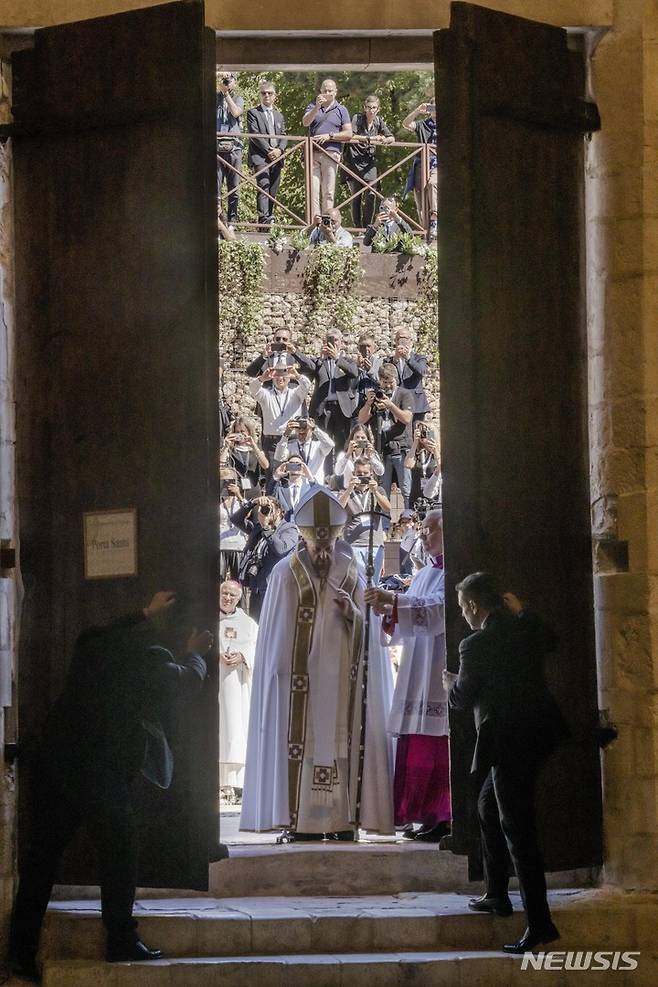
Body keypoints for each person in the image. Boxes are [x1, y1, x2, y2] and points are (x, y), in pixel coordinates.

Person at [6, 592, 212, 979]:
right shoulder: (151, 658)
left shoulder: (96, 640)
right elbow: (184, 683)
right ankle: (120, 938)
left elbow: (98, 634)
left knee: (41, 861)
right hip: (97, 770)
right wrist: (196, 652)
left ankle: (19, 953)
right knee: (121, 848)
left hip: (55, 762)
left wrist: (143, 612)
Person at [240, 486, 394, 841]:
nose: (322, 553)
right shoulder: (283, 574)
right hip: (300, 684)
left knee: (341, 746)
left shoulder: (352, 569)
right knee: (305, 748)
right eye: (316, 547)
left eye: (327, 547)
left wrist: (352, 612)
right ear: (304, 541)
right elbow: (276, 634)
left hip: (342, 679)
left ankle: (342, 822)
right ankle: (302, 823)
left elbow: (367, 629)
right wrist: (280, 673)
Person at [445, 572, 568, 954]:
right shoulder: (524, 628)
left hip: (508, 742)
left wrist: (450, 684)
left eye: (463, 608)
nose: (463, 615)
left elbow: (462, 700)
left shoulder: (474, 645)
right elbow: (552, 640)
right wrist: (525, 611)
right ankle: (497, 893)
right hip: (540, 734)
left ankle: (540, 924)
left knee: (518, 831)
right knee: (487, 805)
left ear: (473, 606)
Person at [365, 509, 450, 842]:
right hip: (419, 664)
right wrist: (387, 609)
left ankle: (447, 816)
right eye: (423, 530)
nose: (424, 535)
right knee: (417, 740)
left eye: (430, 530)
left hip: (440, 661)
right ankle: (428, 816)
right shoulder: (427, 571)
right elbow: (416, 604)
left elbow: (442, 609)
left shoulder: (455, 569)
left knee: (437, 743)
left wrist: (395, 602)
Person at [219, 579, 258, 805]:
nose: (227, 598)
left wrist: (243, 656)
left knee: (236, 731)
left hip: (238, 686)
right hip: (215, 686)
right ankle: (218, 784)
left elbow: (258, 647)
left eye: (232, 595)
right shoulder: (206, 618)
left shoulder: (248, 623)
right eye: (224, 593)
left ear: (239, 598)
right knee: (218, 732)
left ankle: (237, 785)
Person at [232, 494, 299, 619]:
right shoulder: (259, 528)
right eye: (262, 509)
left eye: (269, 508)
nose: (265, 512)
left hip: (275, 589)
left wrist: (267, 527)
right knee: (255, 624)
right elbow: (235, 520)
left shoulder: (290, 529)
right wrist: (252, 503)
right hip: (257, 586)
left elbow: (280, 549)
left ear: (279, 511)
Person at [358, 362, 414, 507]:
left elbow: (407, 418)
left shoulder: (404, 394)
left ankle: (408, 522)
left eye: (391, 382)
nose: (388, 386)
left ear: (396, 380)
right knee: (383, 490)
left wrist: (390, 406)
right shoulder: (375, 395)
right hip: (383, 450)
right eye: (385, 383)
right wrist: (368, 404)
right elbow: (361, 420)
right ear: (379, 381)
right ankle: (384, 525)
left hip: (402, 448)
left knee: (406, 490)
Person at [306, 329, 360, 461]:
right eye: (330, 339)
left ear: (341, 343)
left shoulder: (347, 361)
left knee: (342, 446)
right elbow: (309, 374)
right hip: (323, 409)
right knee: (324, 445)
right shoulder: (319, 362)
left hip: (342, 409)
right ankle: (325, 477)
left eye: (336, 340)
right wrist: (321, 359)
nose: (333, 343)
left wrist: (337, 358)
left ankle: (340, 477)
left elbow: (354, 373)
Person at [343, 95, 394, 229]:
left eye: (374, 108)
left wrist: (384, 139)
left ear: (378, 109)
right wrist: (370, 139)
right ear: (364, 108)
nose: (371, 110)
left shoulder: (378, 121)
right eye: (369, 108)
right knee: (356, 197)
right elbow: (350, 135)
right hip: (354, 160)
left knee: (371, 194)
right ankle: (358, 228)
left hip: (370, 162)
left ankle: (367, 226)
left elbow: (391, 137)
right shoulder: (357, 118)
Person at [302, 79, 352, 217]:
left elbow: (348, 133)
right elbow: (305, 123)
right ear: (320, 92)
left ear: (335, 92)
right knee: (313, 191)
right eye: (325, 90)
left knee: (328, 191)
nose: (327, 93)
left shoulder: (341, 110)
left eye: (330, 91)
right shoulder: (312, 106)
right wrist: (316, 108)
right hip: (313, 153)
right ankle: (314, 224)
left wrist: (330, 136)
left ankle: (327, 222)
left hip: (331, 153)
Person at [248, 365, 312, 462]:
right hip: (272, 442)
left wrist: (297, 375)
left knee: (293, 473)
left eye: (283, 376)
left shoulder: (296, 394)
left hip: (292, 440)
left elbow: (306, 385)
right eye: (277, 377)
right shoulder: (266, 395)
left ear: (289, 379)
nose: (280, 379)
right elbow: (253, 388)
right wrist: (262, 378)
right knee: (273, 475)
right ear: (273, 379)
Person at [338, 457, 390, 573]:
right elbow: (338, 508)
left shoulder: (379, 490)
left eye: (366, 473)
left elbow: (387, 508)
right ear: (353, 474)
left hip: (374, 543)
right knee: (357, 583)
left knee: (374, 585)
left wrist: (375, 491)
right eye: (359, 473)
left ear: (371, 473)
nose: (362, 476)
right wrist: (349, 488)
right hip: (353, 543)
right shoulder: (345, 492)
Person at [246, 80, 288, 227]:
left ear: (275, 95)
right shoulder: (253, 113)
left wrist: (280, 150)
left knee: (273, 190)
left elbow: (283, 135)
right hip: (261, 157)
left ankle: (270, 218)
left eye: (269, 93)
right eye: (263, 93)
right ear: (260, 95)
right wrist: (270, 151)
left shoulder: (279, 116)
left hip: (277, 157)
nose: (267, 96)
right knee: (263, 186)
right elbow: (255, 135)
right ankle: (263, 220)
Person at [402, 99, 438, 240]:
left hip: (438, 164)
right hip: (421, 165)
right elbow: (405, 124)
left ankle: (434, 218)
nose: (434, 109)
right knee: (420, 198)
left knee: (432, 183)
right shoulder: (423, 124)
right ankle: (426, 233)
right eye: (432, 106)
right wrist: (417, 110)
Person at [216, 71, 244, 227]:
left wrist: (226, 95)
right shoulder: (214, 97)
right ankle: (218, 219)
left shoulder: (238, 98)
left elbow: (236, 112)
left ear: (235, 83)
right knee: (216, 187)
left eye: (229, 80)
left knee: (234, 186)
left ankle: (232, 220)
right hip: (216, 146)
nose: (227, 82)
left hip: (234, 147)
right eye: (225, 80)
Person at [273, 415, 334, 484]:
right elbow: (278, 457)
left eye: (305, 428)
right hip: (296, 486)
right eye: (298, 428)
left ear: (311, 430)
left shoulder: (318, 446)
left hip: (315, 485)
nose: (301, 430)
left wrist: (315, 428)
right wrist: (286, 434)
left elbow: (330, 445)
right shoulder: (290, 446)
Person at [386, 328, 430, 421]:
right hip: (397, 404)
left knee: (416, 434)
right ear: (395, 341)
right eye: (399, 339)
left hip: (416, 404)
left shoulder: (419, 358)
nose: (402, 341)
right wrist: (396, 359)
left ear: (411, 341)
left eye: (405, 339)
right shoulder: (389, 361)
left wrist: (407, 357)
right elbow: (386, 375)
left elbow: (421, 372)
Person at [245, 327, 315, 384]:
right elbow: (250, 373)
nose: (281, 341)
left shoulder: (296, 357)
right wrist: (263, 357)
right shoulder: (267, 358)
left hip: (293, 396)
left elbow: (312, 368)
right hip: (269, 396)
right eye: (278, 339)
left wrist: (295, 353)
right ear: (273, 339)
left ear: (290, 341)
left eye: (284, 339)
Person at [221, 416, 269, 493]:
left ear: (249, 432)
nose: (239, 434)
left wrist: (254, 446)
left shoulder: (255, 449)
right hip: (236, 490)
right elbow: (221, 465)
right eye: (237, 431)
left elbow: (266, 465)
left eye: (242, 431)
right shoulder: (231, 450)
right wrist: (226, 447)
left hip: (253, 489)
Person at [333, 423, 384, 489]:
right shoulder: (343, 455)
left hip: (367, 490)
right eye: (357, 437)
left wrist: (371, 458)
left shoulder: (372, 454)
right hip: (349, 490)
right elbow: (338, 472)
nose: (360, 440)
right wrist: (348, 454)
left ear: (367, 440)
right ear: (352, 439)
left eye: (363, 438)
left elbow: (380, 472)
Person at [219, 464, 248, 579]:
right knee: (218, 580)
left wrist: (238, 495)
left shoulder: (241, 501)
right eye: (223, 481)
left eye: (230, 481)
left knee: (238, 580)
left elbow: (248, 514)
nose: (227, 484)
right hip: (220, 545)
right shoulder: (215, 500)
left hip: (238, 545)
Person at [268, 454, 316, 519]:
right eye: (291, 464)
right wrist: (276, 476)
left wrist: (310, 477)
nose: (294, 467)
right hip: (286, 527)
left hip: (304, 526)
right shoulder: (280, 490)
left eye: (298, 464)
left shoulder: (309, 489)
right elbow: (270, 497)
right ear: (287, 467)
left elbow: (320, 498)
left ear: (303, 467)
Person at [405, 421, 440, 506]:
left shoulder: (439, 453)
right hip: (416, 496)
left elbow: (442, 467)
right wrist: (415, 442)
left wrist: (435, 451)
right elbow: (408, 464)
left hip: (433, 495)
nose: (424, 437)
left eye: (427, 433)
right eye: (422, 433)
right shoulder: (418, 453)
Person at [355, 333, 382, 398]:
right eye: (363, 346)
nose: (366, 349)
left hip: (375, 399)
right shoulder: (352, 363)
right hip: (358, 401)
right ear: (358, 348)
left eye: (368, 346)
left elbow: (382, 382)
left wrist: (370, 370)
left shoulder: (380, 363)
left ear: (374, 348)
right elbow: (351, 384)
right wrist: (358, 369)